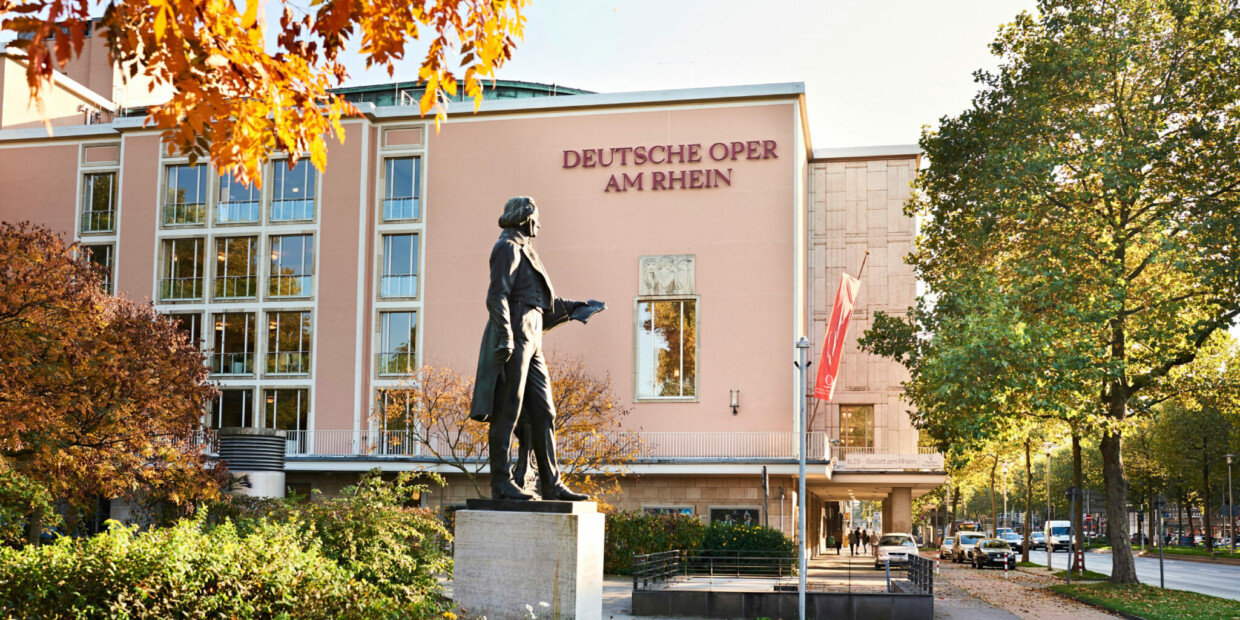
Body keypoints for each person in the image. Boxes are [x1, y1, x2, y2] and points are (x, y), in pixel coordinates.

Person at [469, 196, 605, 501]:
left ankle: (551, 484)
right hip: (516, 334)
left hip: (533, 338)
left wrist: (579, 308)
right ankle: (502, 482)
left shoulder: (526, 250)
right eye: (536, 218)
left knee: (545, 412)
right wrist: (505, 335)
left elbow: (542, 306)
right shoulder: (507, 247)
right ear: (524, 217)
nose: (539, 224)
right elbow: (497, 295)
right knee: (508, 411)